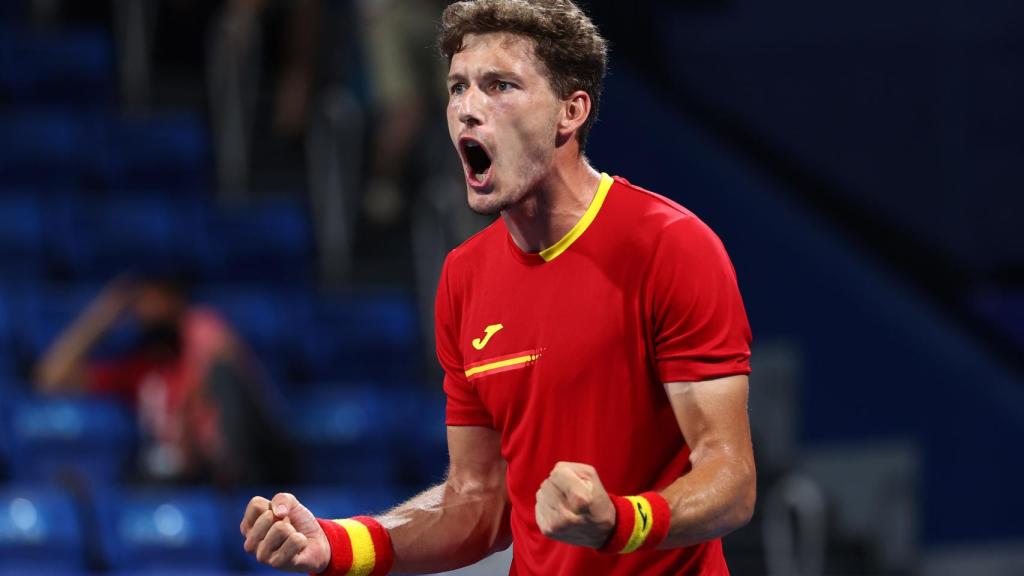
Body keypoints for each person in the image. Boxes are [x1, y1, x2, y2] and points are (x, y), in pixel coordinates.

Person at [240, 0, 755, 574]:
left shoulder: (670, 246)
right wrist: (339, 543)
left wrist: (621, 521)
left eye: (499, 85)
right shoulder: (463, 277)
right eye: (458, 88)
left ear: (570, 111)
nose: (467, 109)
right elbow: (477, 502)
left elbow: (729, 479)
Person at [35, 276, 292, 488]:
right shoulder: (140, 372)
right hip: (166, 479)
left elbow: (236, 380)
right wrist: (104, 316)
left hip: (218, 471)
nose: (148, 310)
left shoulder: (206, 345)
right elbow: (52, 378)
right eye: (141, 305)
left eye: (157, 300)